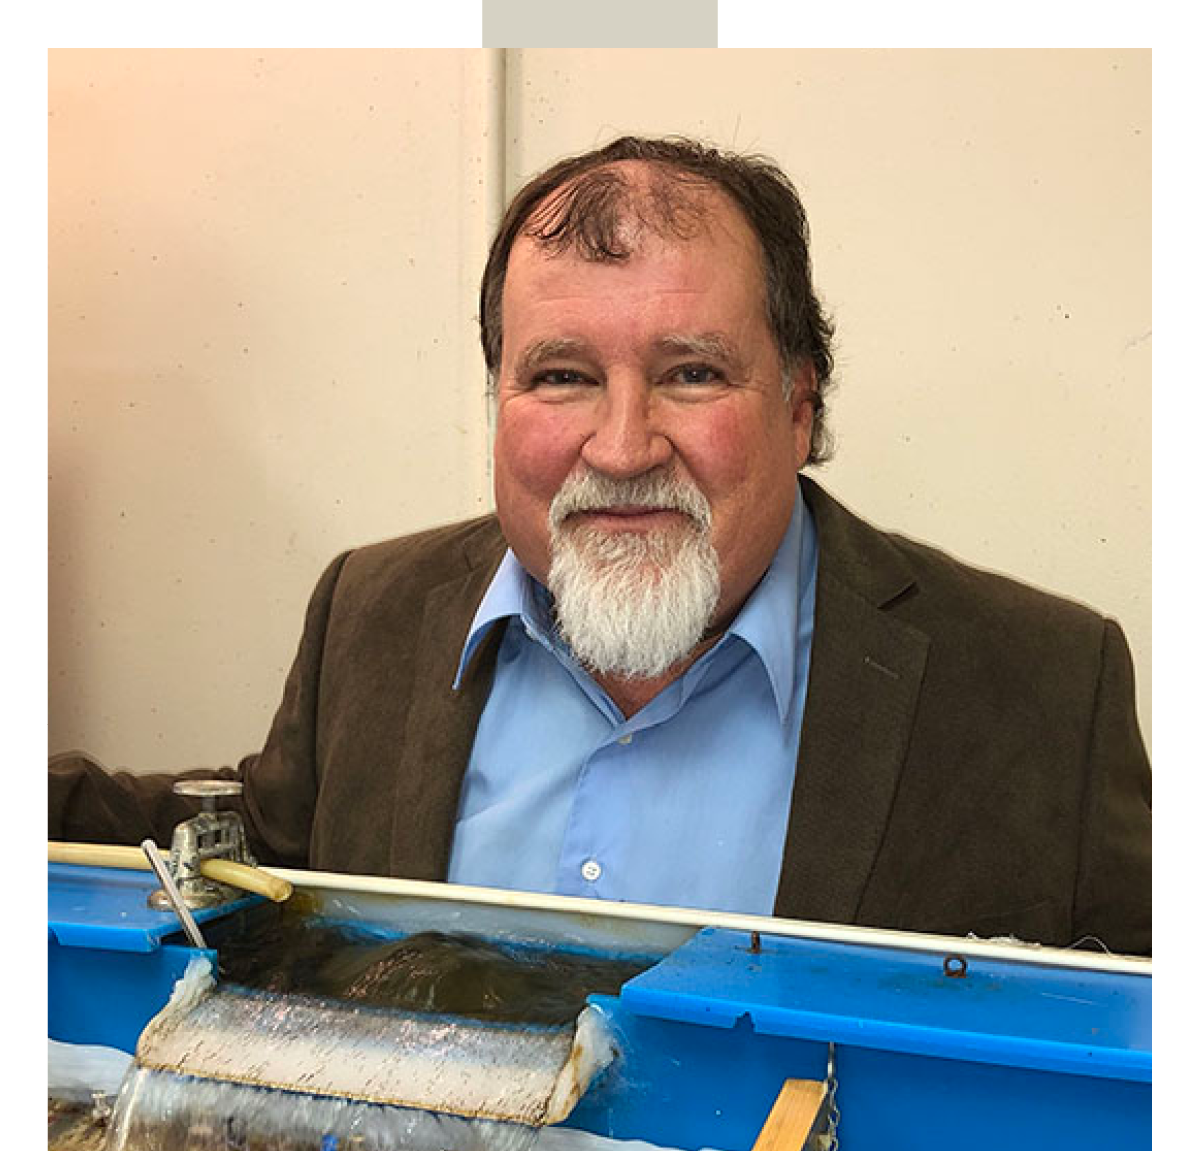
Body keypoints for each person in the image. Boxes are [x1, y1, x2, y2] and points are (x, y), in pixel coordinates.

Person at [49, 136, 1151, 955]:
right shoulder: (370, 610)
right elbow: (260, 854)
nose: (623, 447)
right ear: (500, 398)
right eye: (563, 375)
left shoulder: (1046, 686)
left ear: (801, 406)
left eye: (692, 373)